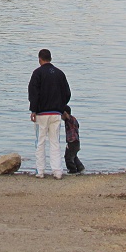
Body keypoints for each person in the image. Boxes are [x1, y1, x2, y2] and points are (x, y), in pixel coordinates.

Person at [28, 49, 71, 179]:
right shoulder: (59, 74)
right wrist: (61, 106)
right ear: (50, 58)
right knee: (55, 142)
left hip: (41, 113)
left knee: (40, 142)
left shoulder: (37, 73)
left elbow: (33, 93)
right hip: (56, 113)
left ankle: (40, 171)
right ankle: (57, 171)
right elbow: (67, 93)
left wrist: (33, 109)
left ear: (40, 59)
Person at [63, 105, 85, 174]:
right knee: (74, 156)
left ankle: (72, 170)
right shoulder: (73, 120)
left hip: (73, 141)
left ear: (65, 114)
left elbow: (67, 117)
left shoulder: (70, 119)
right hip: (75, 142)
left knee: (68, 157)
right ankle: (80, 168)